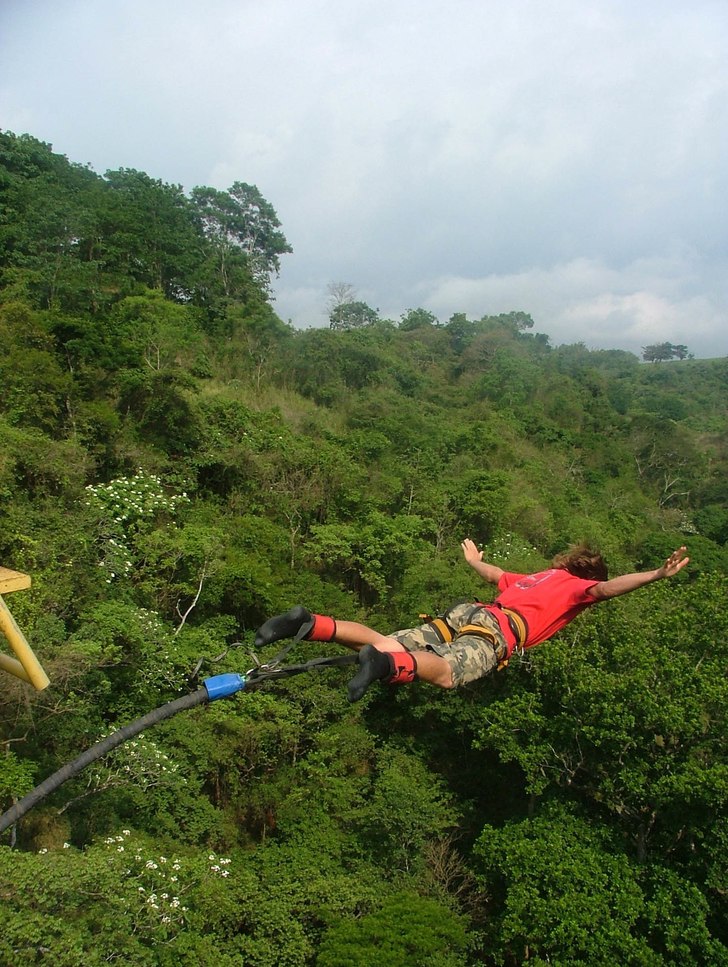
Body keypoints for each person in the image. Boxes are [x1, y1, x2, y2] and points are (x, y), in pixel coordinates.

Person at [255, 540, 690, 702]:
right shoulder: (575, 586)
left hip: (471, 612)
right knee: (445, 675)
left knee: (386, 642)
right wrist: (654, 575)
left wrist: (475, 561)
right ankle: (386, 667)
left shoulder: (542, 576)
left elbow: (496, 576)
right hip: (498, 629)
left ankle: (309, 623)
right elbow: (607, 589)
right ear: (589, 574)